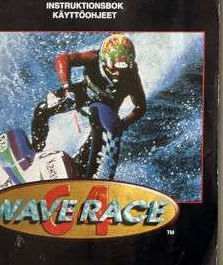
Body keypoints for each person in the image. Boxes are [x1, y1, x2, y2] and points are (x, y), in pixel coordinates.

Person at [29, 33, 148, 179]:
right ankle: (35, 151)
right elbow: (63, 58)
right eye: (114, 68)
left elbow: (140, 107)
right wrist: (67, 87)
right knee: (42, 109)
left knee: (96, 140)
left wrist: (123, 124)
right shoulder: (93, 57)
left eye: (122, 69)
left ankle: (85, 178)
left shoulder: (132, 77)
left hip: (105, 108)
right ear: (104, 60)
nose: (118, 74)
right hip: (84, 93)